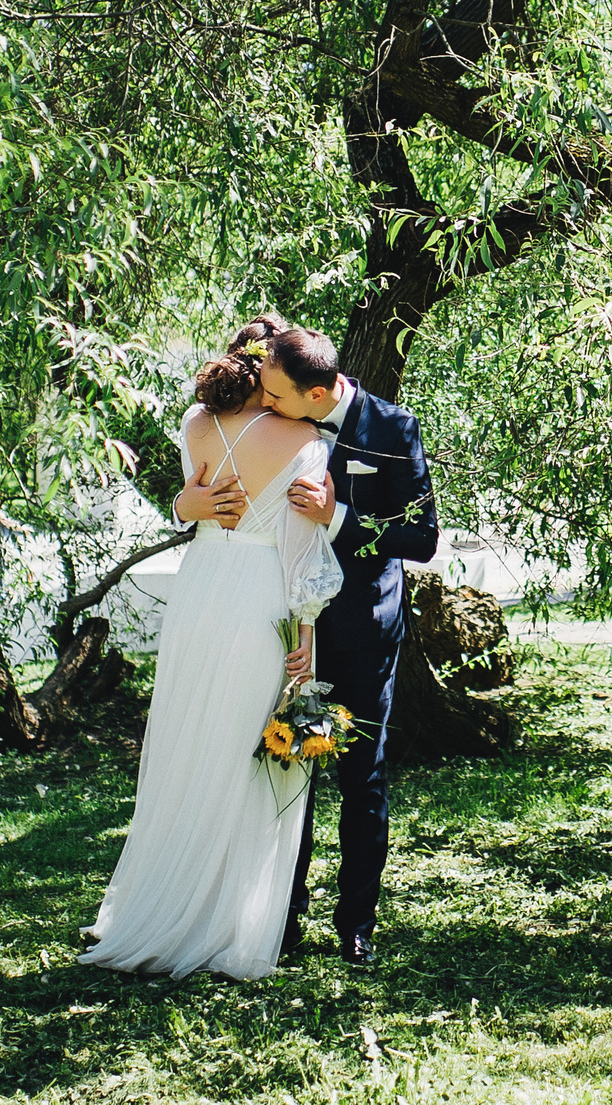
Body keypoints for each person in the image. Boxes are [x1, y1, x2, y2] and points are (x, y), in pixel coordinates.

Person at [77, 319, 343, 979]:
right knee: (247, 758)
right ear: (273, 370)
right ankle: (230, 924)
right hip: (261, 598)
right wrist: (306, 631)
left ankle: (164, 903)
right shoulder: (305, 438)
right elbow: (301, 546)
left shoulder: (197, 421)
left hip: (200, 591)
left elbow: (191, 499)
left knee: (189, 743)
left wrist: (186, 502)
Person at [256, 324, 438, 967]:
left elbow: (420, 540)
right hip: (289, 636)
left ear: (319, 390)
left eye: (275, 391)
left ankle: (356, 923)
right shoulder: (271, 420)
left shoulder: (393, 430)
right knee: (288, 773)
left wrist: (336, 517)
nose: (263, 397)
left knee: (363, 779)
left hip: (363, 630)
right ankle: (284, 914)